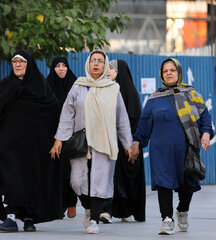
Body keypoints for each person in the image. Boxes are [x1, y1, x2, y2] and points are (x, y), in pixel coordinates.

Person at [0, 50, 63, 232]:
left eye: (22, 62)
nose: (18, 65)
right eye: (15, 62)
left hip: (33, 148)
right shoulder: (6, 84)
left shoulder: (40, 86)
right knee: (10, 179)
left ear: (29, 64)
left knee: (30, 182)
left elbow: (53, 110)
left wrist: (52, 139)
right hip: (8, 146)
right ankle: (11, 217)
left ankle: (29, 219)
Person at [50, 50, 134, 234]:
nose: (96, 64)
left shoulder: (113, 88)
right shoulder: (78, 86)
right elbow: (67, 115)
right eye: (93, 61)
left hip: (104, 141)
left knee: (100, 180)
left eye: (100, 61)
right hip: (80, 142)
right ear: (88, 64)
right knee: (76, 181)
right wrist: (59, 140)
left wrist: (127, 143)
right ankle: (87, 208)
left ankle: (94, 219)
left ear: (105, 66)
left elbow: (121, 119)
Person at [132, 58, 214, 235]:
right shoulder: (154, 99)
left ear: (179, 72)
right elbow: (144, 123)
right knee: (163, 184)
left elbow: (205, 119)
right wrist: (137, 142)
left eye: (172, 70)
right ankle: (167, 219)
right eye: (165, 71)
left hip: (185, 150)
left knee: (187, 185)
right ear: (161, 75)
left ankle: (182, 211)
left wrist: (206, 133)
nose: (168, 73)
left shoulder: (193, 94)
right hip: (160, 150)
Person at [100, 60, 146, 224]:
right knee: (109, 177)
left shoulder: (129, 93)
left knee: (126, 179)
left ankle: (126, 210)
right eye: (108, 68)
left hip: (127, 145)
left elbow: (133, 119)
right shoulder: (106, 90)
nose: (108, 71)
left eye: (112, 68)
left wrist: (131, 143)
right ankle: (107, 211)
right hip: (109, 143)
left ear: (120, 72)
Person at [46, 57, 78, 218]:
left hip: (71, 135)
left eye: (64, 66)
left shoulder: (75, 84)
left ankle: (71, 202)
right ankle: (57, 206)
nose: (61, 69)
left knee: (69, 170)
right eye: (57, 66)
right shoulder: (47, 85)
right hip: (52, 134)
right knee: (53, 170)